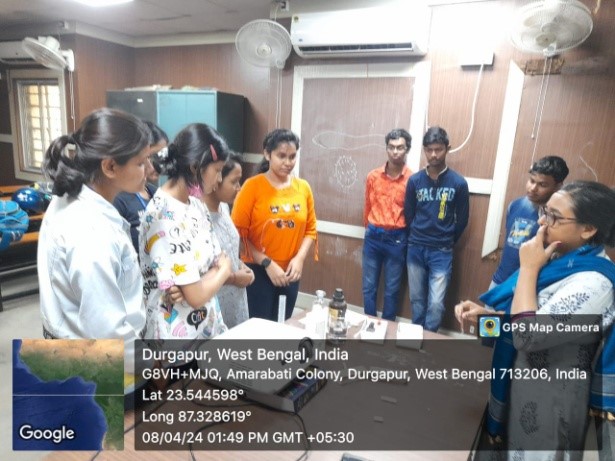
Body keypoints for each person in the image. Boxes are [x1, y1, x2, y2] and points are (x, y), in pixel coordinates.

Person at [455, 181, 615, 460]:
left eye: (554, 217)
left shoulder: (594, 283)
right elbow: (523, 319)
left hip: (551, 401)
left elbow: (527, 335)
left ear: (588, 229)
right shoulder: (558, 260)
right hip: (520, 384)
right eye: (545, 211)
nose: (542, 221)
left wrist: (528, 267)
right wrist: (484, 320)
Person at [37, 107, 151, 369]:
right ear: (110, 166)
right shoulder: (92, 233)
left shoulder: (69, 198)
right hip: (100, 363)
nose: (149, 169)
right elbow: (106, 328)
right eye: (141, 162)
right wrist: (148, 364)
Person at [139, 123, 232, 340]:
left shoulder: (196, 204)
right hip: (177, 340)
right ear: (194, 167)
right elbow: (197, 295)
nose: (219, 179)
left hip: (207, 328)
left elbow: (217, 260)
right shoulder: (163, 215)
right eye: (217, 170)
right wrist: (224, 272)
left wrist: (198, 281)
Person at [231, 129, 317, 321]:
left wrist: (299, 259)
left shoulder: (303, 188)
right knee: (259, 328)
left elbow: (310, 230)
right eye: (281, 156)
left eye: (292, 156)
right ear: (267, 154)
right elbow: (238, 235)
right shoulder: (252, 187)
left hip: (290, 272)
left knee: (282, 325)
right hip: (258, 271)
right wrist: (267, 263)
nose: (288, 162)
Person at [404, 126, 469, 332]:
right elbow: (409, 214)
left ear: (447, 149)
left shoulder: (458, 183)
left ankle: (429, 337)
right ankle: (416, 335)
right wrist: (417, 235)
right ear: (424, 150)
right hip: (416, 247)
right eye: (429, 149)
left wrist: (446, 239)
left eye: (438, 149)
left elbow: (462, 220)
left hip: (441, 251)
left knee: (436, 303)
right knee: (416, 299)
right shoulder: (415, 181)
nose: (433, 154)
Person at [491, 155, 569, 289]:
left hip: (530, 286)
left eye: (542, 185)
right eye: (532, 181)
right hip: (500, 281)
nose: (533, 188)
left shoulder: (560, 218)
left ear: (558, 186)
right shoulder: (515, 205)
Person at [362, 128, 412, 320]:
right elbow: (367, 205)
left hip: (397, 239)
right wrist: (369, 228)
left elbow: (412, 212)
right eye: (391, 147)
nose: (395, 152)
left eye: (400, 147)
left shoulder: (412, 180)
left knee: (392, 289)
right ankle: (369, 323)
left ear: (407, 149)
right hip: (373, 235)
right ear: (386, 148)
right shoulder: (373, 176)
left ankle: (387, 327)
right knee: (368, 286)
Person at [202, 153, 254, 328]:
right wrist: (234, 278)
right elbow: (199, 272)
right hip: (214, 302)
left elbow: (228, 249)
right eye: (234, 182)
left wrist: (241, 266)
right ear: (216, 179)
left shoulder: (224, 207)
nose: (239, 188)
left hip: (236, 297)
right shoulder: (198, 216)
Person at [113, 120, 169, 253]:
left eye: (163, 156)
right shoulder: (118, 199)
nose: (160, 164)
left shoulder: (156, 193)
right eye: (153, 156)